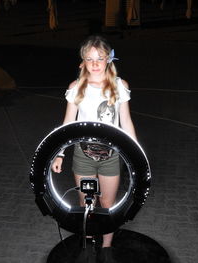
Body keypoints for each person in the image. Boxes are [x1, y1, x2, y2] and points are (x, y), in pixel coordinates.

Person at [51, 35, 137, 262]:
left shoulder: (120, 86)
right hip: (83, 155)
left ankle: (107, 247)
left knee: (108, 204)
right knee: (86, 204)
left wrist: (136, 155)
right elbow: (68, 124)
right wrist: (59, 153)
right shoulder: (76, 87)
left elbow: (126, 121)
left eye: (100, 58)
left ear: (109, 59)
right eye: (90, 59)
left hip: (111, 155)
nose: (95, 64)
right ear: (83, 62)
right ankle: (88, 244)